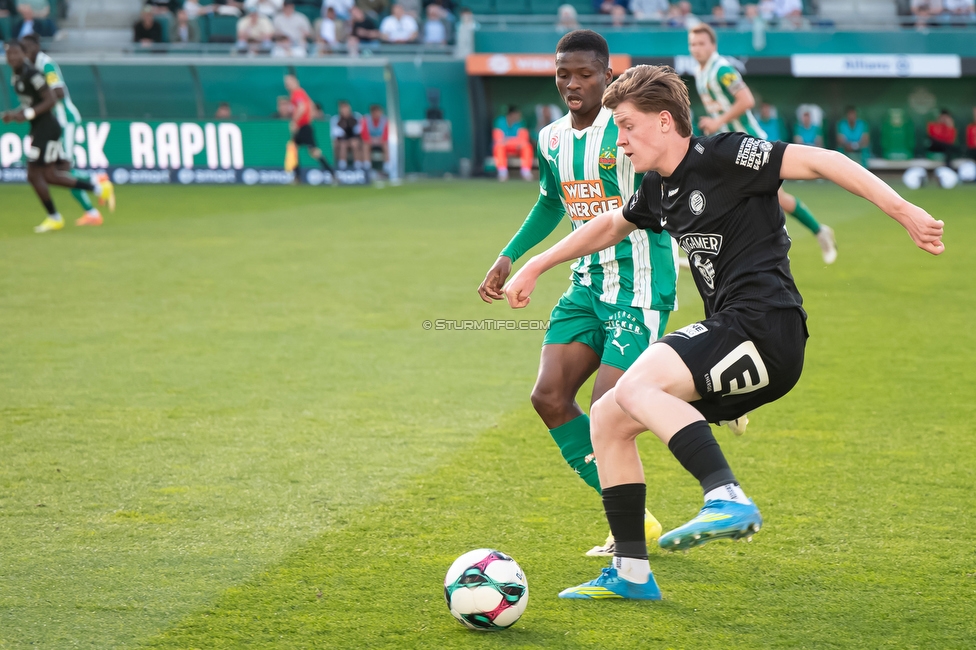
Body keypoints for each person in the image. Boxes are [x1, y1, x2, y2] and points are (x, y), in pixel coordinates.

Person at [501, 64, 944, 600]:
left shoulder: (727, 155)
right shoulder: (658, 188)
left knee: (635, 388)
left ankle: (726, 496)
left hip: (765, 326)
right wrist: (534, 265)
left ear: (664, 122)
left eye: (627, 126)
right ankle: (632, 574)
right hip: (735, 333)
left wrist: (902, 209)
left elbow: (821, 160)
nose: (619, 141)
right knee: (609, 418)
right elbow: (612, 225)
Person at [478, 31, 678, 557]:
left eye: (585, 73)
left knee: (610, 411)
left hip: (637, 289)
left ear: (607, 75)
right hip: (584, 286)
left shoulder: (628, 132)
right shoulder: (551, 139)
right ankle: (635, 515)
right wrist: (509, 255)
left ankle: (702, 390)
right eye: (564, 73)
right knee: (548, 397)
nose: (572, 83)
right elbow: (550, 202)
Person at [688, 23, 837, 264]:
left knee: (767, 199)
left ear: (713, 45)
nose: (696, 48)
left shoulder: (722, 69)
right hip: (728, 146)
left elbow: (746, 100)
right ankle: (710, 253)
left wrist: (718, 122)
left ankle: (818, 231)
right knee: (723, 194)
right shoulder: (700, 71)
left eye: (701, 43)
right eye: (692, 44)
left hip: (750, 145)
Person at [1, 41, 113, 234]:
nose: (12, 58)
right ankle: (95, 188)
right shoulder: (16, 76)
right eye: (9, 54)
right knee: (50, 174)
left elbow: (52, 99)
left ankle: (58, 215)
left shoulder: (33, 73)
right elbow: (31, 103)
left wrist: (27, 114)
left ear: (24, 54)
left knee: (36, 173)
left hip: (49, 129)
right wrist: (15, 113)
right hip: (41, 129)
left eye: (16, 54)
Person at [282, 74, 335, 180]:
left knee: (313, 152)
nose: (287, 85)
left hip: (304, 127)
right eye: (286, 84)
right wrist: (309, 118)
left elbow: (302, 108)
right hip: (305, 126)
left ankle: (332, 173)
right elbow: (310, 105)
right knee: (293, 147)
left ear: (295, 82)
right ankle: (297, 176)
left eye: (289, 83)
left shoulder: (297, 93)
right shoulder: (301, 93)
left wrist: (295, 121)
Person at [492, 106, 533, 182]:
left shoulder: (521, 122)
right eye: (517, 114)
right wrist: (515, 141)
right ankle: (502, 172)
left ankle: (526, 171)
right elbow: (498, 139)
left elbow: (524, 140)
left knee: (527, 147)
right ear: (511, 114)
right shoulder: (500, 121)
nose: (518, 117)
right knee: (499, 147)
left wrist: (508, 140)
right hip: (505, 148)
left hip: (517, 149)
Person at [330, 99, 366, 171]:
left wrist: (349, 122)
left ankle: (358, 165)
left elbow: (358, 131)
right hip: (341, 141)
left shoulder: (356, 117)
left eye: (346, 108)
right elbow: (336, 134)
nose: (344, 110)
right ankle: (342, 166)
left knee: (354, 143)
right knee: (342, 144)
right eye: (342, 108)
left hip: (354, 140)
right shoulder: (336, 119)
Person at [361, 103, 393, 177]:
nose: (378, 114)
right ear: (372, 112)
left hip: (381, 142)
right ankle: (367, 167)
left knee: (386, 145)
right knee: (365, 145)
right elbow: (364, 133)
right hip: (370, 142)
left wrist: (380, 140)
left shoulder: (385, 120)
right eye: (376, 112)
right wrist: (371, 140)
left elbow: (386, 134)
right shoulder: (366, 120)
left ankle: (387, 168)